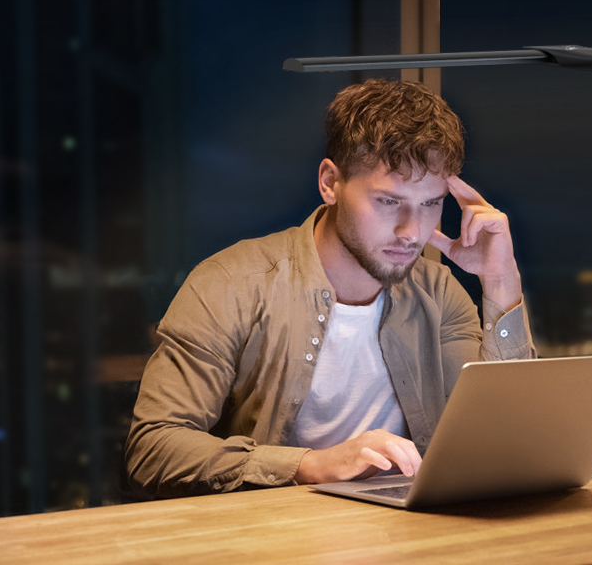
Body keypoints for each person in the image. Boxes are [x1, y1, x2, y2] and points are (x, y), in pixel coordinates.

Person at [126, 78, 536, 498]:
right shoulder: (232, 284)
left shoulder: (438, 291)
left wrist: (500, 280)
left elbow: (506, 437)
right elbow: (154, 445)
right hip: (271, 540)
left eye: (430, 204)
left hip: (411, 535)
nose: (412, 232)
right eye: (389, 202)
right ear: (330, 182)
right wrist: (312, 465)